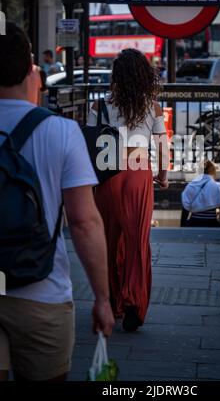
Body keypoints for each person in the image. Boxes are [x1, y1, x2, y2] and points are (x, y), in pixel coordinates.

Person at [0, 23, 114, 382]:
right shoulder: (60, 131)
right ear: (31, 68)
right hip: (41, 293)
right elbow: (84, 223)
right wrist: (103, 299)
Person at [87, 48, 169, 332]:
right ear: (144, 76)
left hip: (108, 174)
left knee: (109, 240)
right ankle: (134, 302)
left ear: (116, 76)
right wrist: (163, 175)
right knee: (137, 241)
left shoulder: (100, 107)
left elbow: (91, 144)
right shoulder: (153, 107)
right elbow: (161, 146)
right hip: (138, 173)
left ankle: (111, 301)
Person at [181, 160, 220, 227]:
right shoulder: (217, 187)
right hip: (212, 224)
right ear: (213, 171)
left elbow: (185, 211)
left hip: (193, 223)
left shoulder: (191, 186)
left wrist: (182, 228)